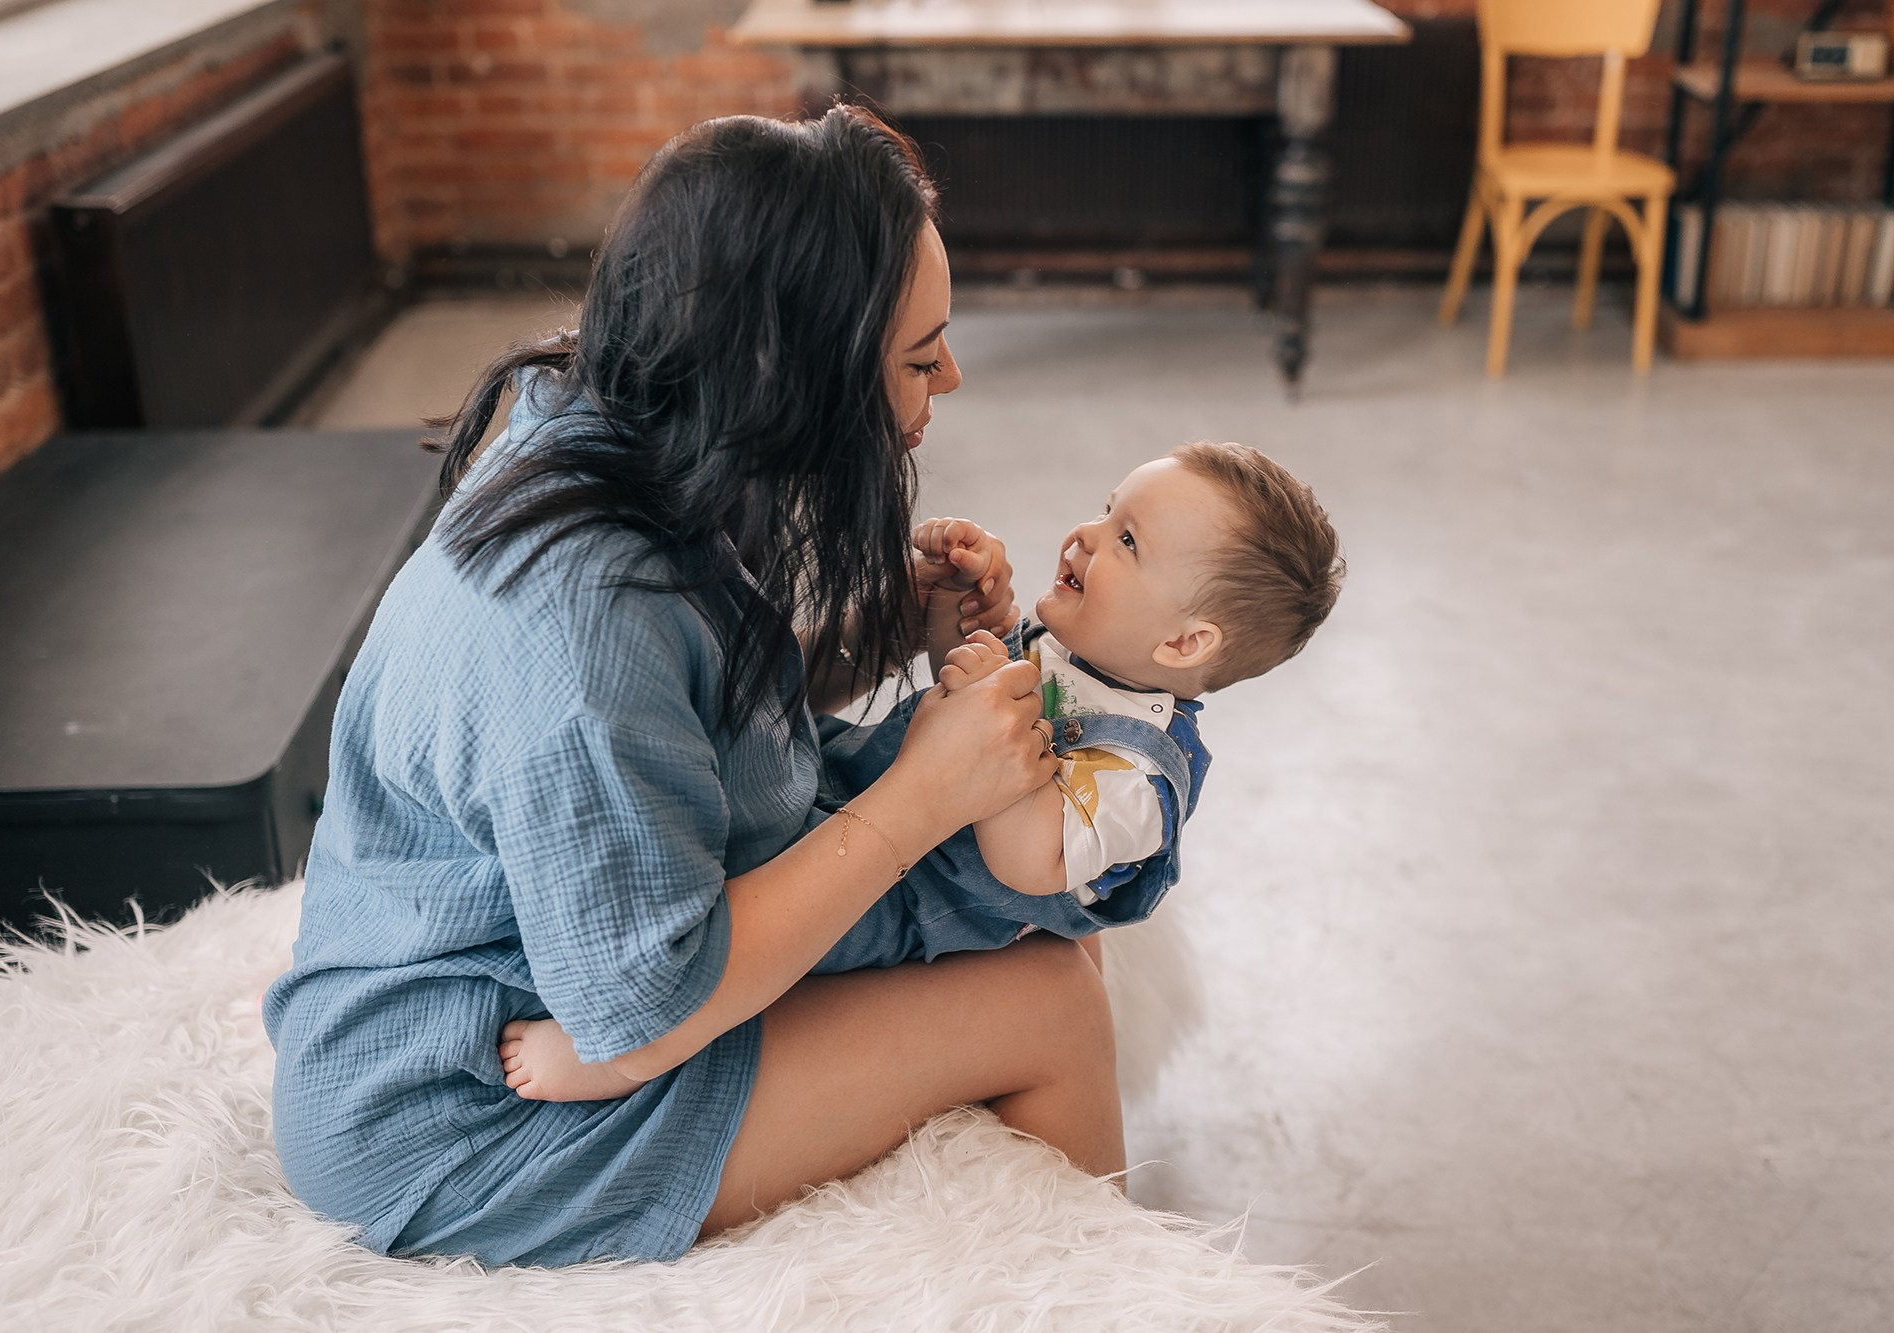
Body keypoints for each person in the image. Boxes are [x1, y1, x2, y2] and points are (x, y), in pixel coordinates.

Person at [262, 105, 1125, 1271]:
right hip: (459, 1107)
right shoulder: (579, 625)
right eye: (920, 357)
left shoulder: (632, 417)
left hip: (546, 991)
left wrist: (875, 631)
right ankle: (1108, 1294)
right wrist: (919, 796)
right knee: (1051, 1001)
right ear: (792, 370)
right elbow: (645, 1002)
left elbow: (686, 713)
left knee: (1038, 910)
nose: (951, 377)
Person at [498, 444, 1343, 1100]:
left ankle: (618, 1056)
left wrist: (980, 702)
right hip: (863, 788)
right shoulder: (1082, 653)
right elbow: (955, 702)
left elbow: (1027, 857)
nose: (1086, 535)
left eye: (1127, 540)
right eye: (1104, 508)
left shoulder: (1139, 778)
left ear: (1186, 643)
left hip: (907, 898)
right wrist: (958, 620)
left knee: (768, 942)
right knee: (730, 798)